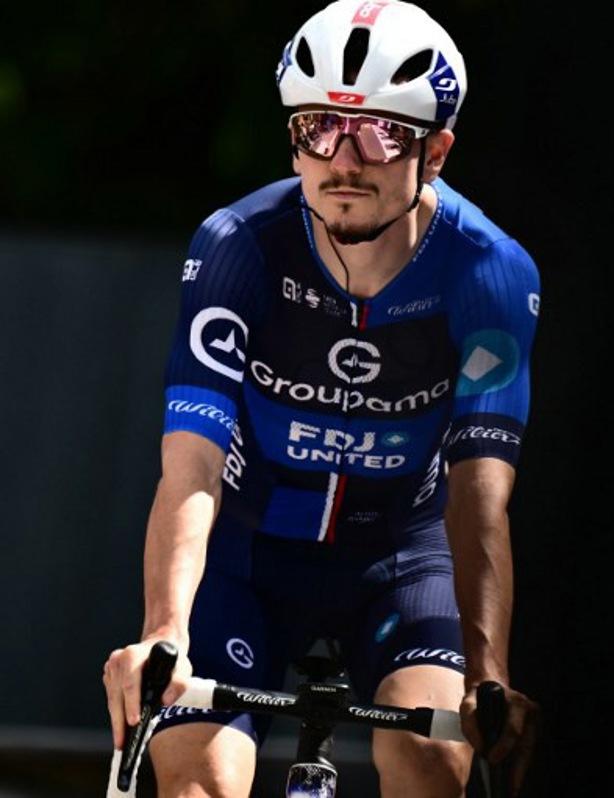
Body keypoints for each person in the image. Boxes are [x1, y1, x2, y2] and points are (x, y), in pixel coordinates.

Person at [101, 1, 541, 795]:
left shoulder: (489, 271)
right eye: (318, 128)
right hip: (246, 555)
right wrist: (163, 631)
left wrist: (489, 673)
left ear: (436, 152)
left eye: (380, 134)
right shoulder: (238, 246)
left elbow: (480, 496)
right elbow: (193, 466)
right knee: (199, 779)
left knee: (434, 761)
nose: (343, 159)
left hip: (402, 561)